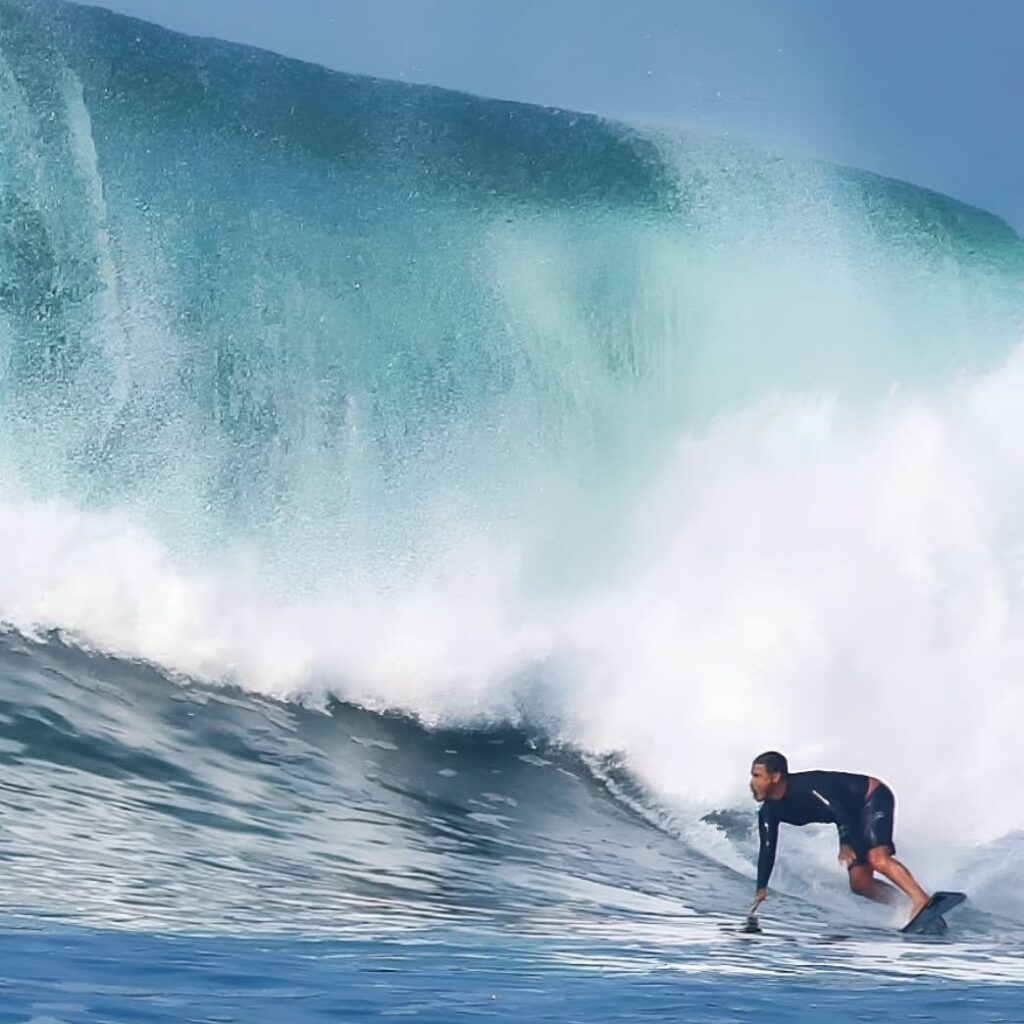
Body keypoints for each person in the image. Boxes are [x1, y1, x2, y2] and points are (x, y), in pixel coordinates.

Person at [748, 750, 930, 924]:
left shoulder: (806, 786)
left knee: (878, 858)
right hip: (853, 817)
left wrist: (845, 844)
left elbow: (838, 809)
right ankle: (906, 903)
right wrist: (761, 888)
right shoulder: (769, 812)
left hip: (871, 797)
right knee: (861, 883)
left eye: (757, 776)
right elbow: (767, 848)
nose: (752, 783)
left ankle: (920, 900)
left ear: (775, 777)